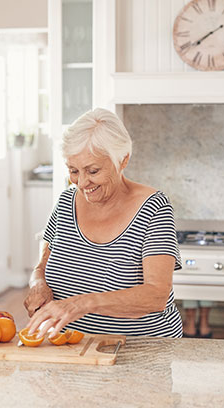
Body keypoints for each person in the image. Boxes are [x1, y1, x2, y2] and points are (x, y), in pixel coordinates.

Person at [23, 108, 183, 338]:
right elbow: (41, 268)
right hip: (71, 348)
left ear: (123, 159)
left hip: (142, 351)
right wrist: (38, 285)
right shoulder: (66, 201)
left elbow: (156, 295)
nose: (83, 182)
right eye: (74, 171)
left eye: (93, 170)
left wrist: (81, 304)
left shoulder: (154, 208)